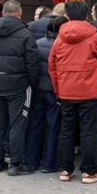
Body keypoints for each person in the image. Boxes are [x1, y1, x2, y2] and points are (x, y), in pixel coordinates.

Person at [49, 0, 97, 184]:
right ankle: (89, 172)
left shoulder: (60, 37)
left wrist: (58, 89)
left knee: (66, 130)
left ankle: (65, 170)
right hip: (89, 90)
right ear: (86, 15)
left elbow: (52, 65)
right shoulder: (93, 35)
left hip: (66, 90)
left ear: (67, 15)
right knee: (88, 131)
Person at [0, 0, 40, 176]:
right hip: (18, 86)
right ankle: (16, 164)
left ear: (3, 13)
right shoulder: (25, 34)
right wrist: (32, 83)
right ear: (19, 13)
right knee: (17, 125)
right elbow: (32, 63)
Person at [26, 16, 66, 173]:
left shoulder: (37, 43)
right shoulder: (63, 46)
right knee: (53, 126)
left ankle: (31, 162)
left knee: (34, 125)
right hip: (54, 91)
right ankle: (49, 164)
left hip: (38, 90)